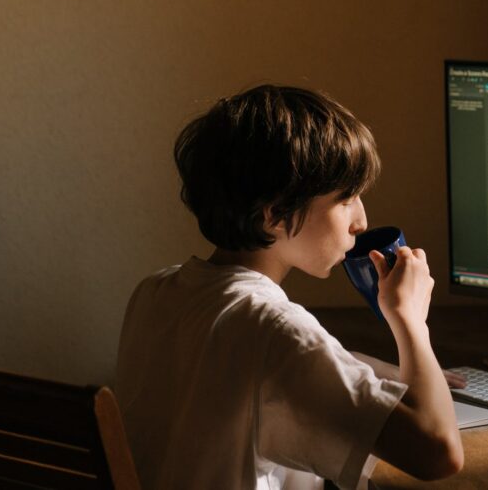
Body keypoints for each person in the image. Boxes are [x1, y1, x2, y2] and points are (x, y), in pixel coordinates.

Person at [116, 84, 464, 490]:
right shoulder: (276, 331)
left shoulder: (156, 291)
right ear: (276, 216)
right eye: (347, 198)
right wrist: (411, 322)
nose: (362, 221)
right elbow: (439, 453)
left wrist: (354, 363)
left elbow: (237, 366)